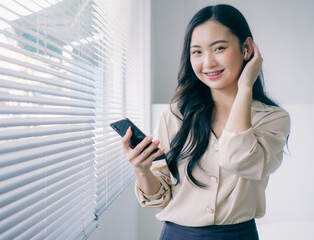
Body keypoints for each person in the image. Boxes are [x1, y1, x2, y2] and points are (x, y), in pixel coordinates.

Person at [122, 4, 290, 240]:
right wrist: (141, 170)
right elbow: (159, 198)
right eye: (197, 52)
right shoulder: (175, 116)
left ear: (246, 48)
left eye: (219, 48)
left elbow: (239, 159)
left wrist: (245, 88)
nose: (208, 62)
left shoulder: (272, 119)